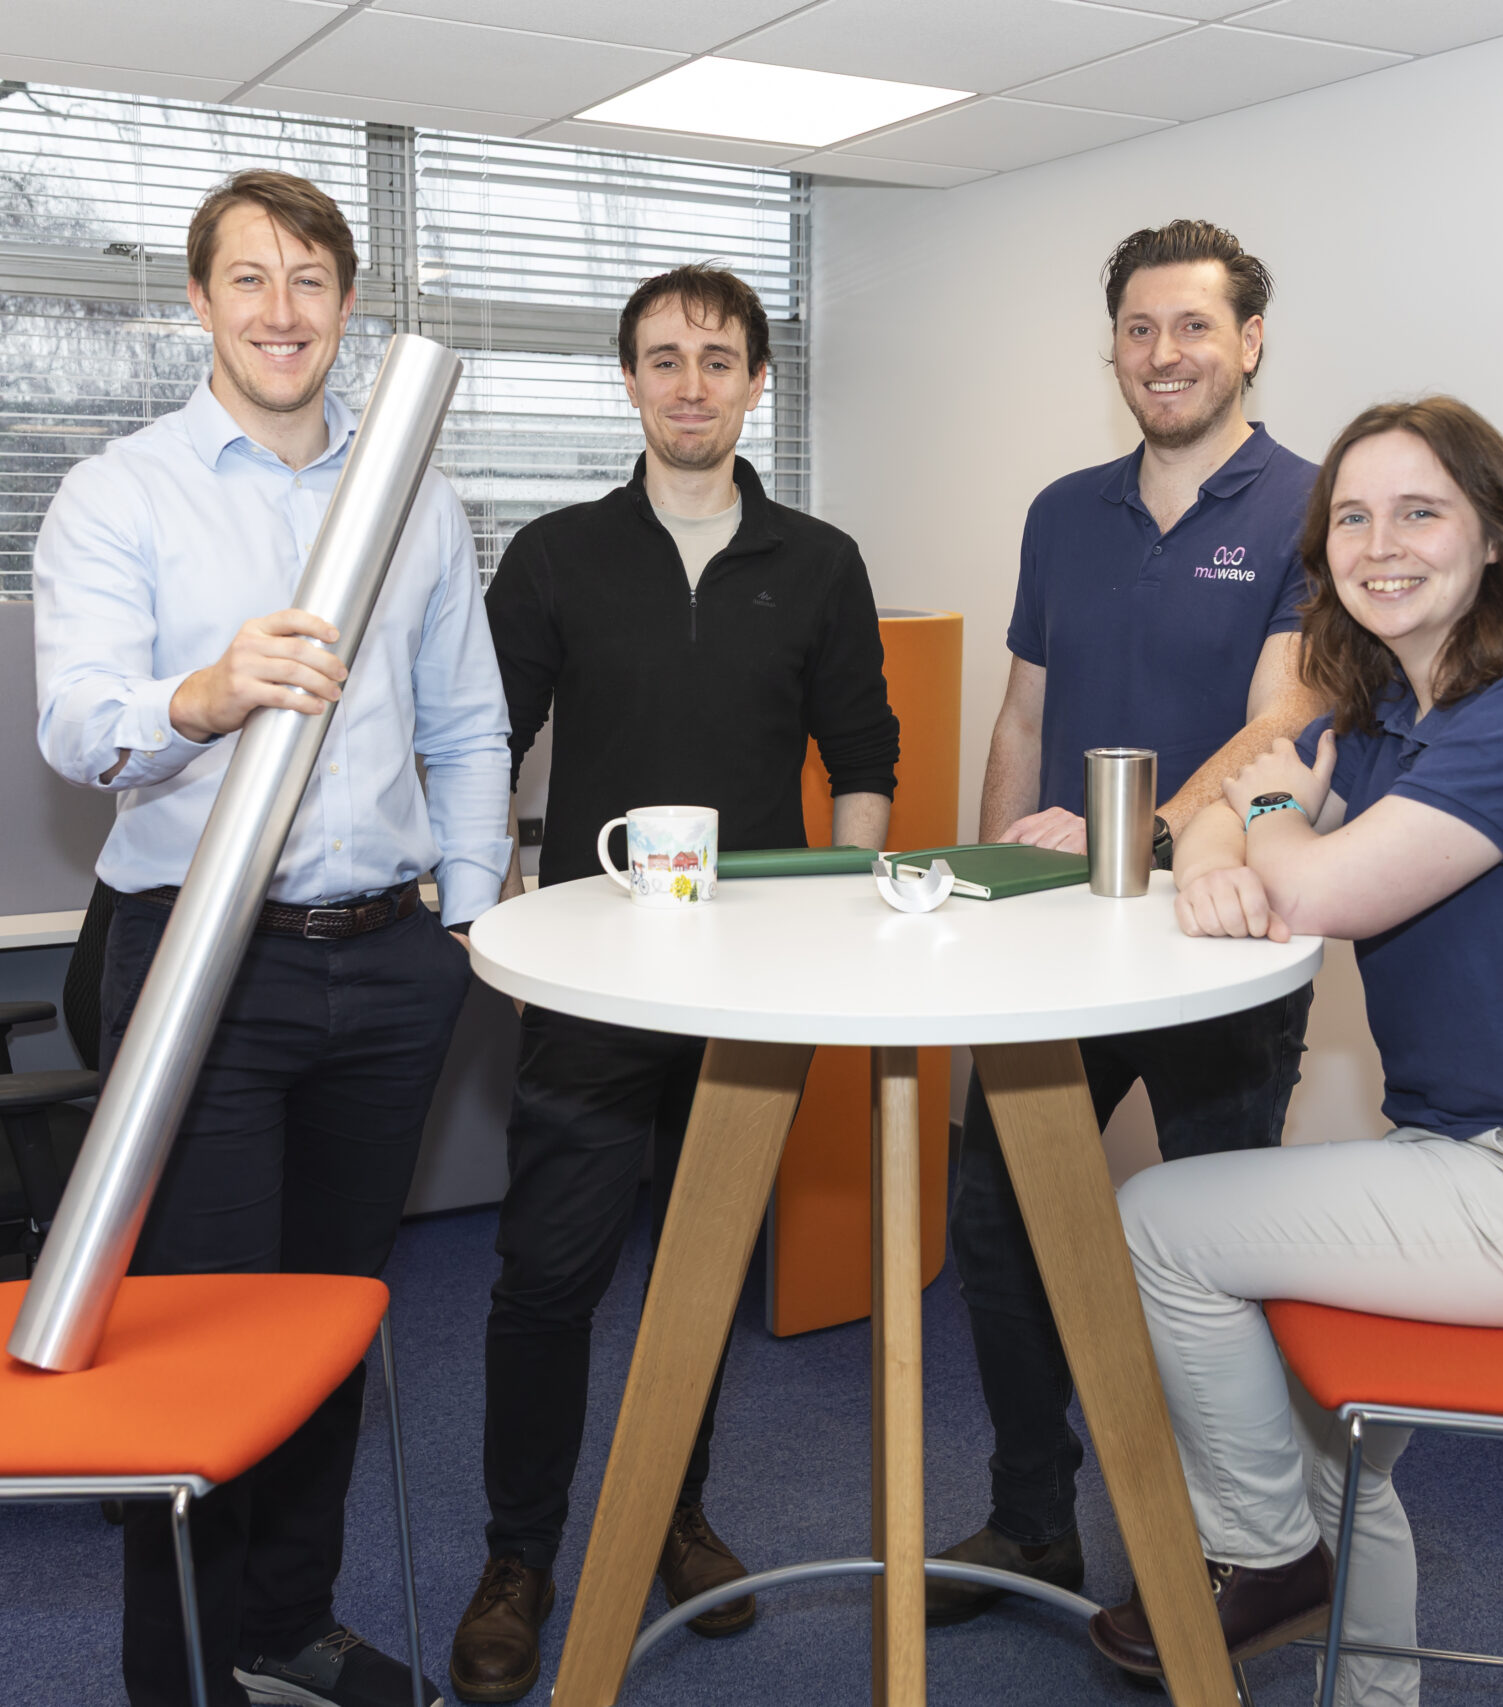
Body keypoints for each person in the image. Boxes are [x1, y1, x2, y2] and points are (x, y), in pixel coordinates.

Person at [1089, 397, 1503, 1705]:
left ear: (1494, 536)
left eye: (1420, 511)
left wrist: (1262, 826)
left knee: (1157, 1220)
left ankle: (1260, 1559)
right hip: (1470, 1157)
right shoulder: (1383, 719)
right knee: (1334, 1440)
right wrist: (1242, 834)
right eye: (1354, 518)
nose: (1382, 544)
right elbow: (1235, 807)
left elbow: (1310, 885)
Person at [35, 168, 510, 1707]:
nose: (281, 310)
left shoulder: (418, 502)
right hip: (197, 962)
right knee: (195, 1344)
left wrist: (470, 924)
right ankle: (179, 1668)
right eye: (250, 279)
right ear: (199, 301)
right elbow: (77, 726)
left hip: (386, 963)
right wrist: (207, 694)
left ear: (347, 307)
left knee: (322, 1321)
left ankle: (285, 1617)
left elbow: (470, 725)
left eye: (310, 279)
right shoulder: (123, 492)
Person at [452, 264, 900, 1702]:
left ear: (758, 381)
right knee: (549, 1276)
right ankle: (520, 1554)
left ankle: (676, 1516)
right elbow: (491, 739)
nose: (691, 382)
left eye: (719, 359)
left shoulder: (820, 561)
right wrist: (498, 909)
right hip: (591, 984)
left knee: (702, 1268)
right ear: (629, 382)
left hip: (750, 988)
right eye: (664, 359)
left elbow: (867, 760)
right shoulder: (556, 554)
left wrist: (843, 923)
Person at [929, 220, 1324, 1622]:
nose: (1167, 355)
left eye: (1196, 327)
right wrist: (985, 885)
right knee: (998, 1218)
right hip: (1060, 953)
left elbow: (1283, 715)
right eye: (1142, 330)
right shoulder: (1062, 512)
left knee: (1213, 1249)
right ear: (1116, 347)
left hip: (1224, 941)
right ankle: (1030, 1517)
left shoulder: (1312, 508)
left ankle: (1238, 1544)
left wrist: (1146, 838)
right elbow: (1024, 717)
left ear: (1250, 341)